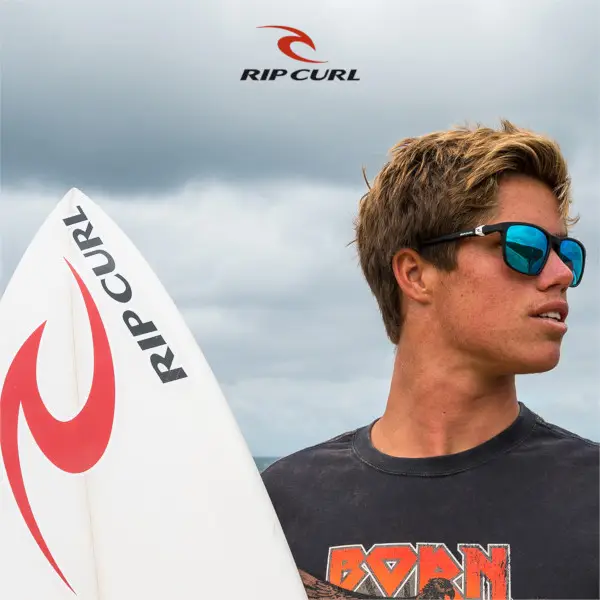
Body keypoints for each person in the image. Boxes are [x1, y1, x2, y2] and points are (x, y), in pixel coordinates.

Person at [261, 120, 599, 600]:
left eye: (567, 252)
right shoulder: (279, 505)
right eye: (525, 247)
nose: (562, 273)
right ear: (416, 274)